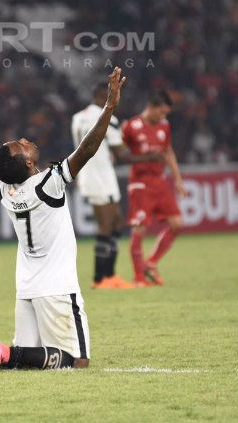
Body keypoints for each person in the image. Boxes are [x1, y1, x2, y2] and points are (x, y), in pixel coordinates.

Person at [0, 68, 127, 372]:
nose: (24, 140)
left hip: (26, 288)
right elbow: (87, 149)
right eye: (22, 145)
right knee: (77, 362)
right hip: (57, 288)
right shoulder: (48, 184)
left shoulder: (6, 189)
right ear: (29, 162)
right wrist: (109, 106)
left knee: (25, 362)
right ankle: (1, 350)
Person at [71, 83, 166, 289]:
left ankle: (110, 276)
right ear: (103, 97)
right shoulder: (108, 119)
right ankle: (100, 278)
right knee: (107, 225)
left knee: (115, 223)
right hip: (100, 177)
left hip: (90, 174)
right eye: (113, 96)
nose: (116, 100)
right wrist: (150, 156)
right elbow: (121, 154)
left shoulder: (78, 117)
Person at [121, 91, 186, 287]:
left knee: (177, 224)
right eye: (162, 112)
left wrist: (178, 179)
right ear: (152, 107)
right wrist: (142, 158)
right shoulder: (131, 126)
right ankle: (139, 277)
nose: (164, 116)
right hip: (140, 183)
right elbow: (120, 152)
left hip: (160, 182)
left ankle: (151, 263)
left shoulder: (164, 125)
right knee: (139, 230)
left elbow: (168, 152)